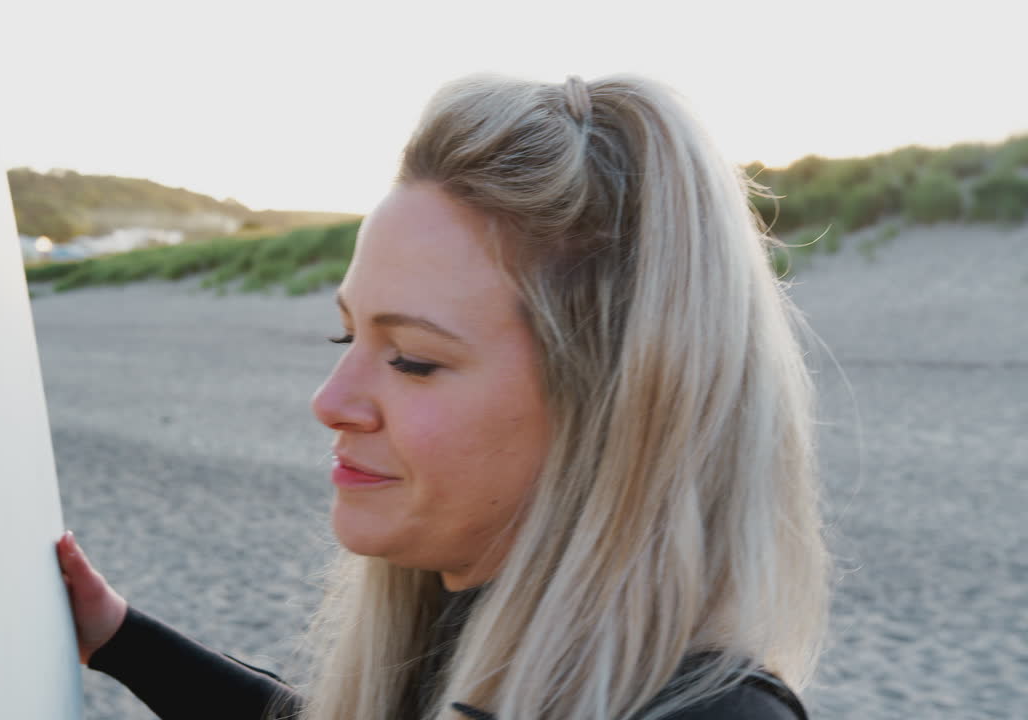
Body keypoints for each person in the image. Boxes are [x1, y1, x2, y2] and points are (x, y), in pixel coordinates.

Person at [56, 73, 829, 720]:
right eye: (345, 337)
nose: (332, 400)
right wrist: (123, 638)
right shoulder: (475, 632)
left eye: (414, 360)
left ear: (617, 407)